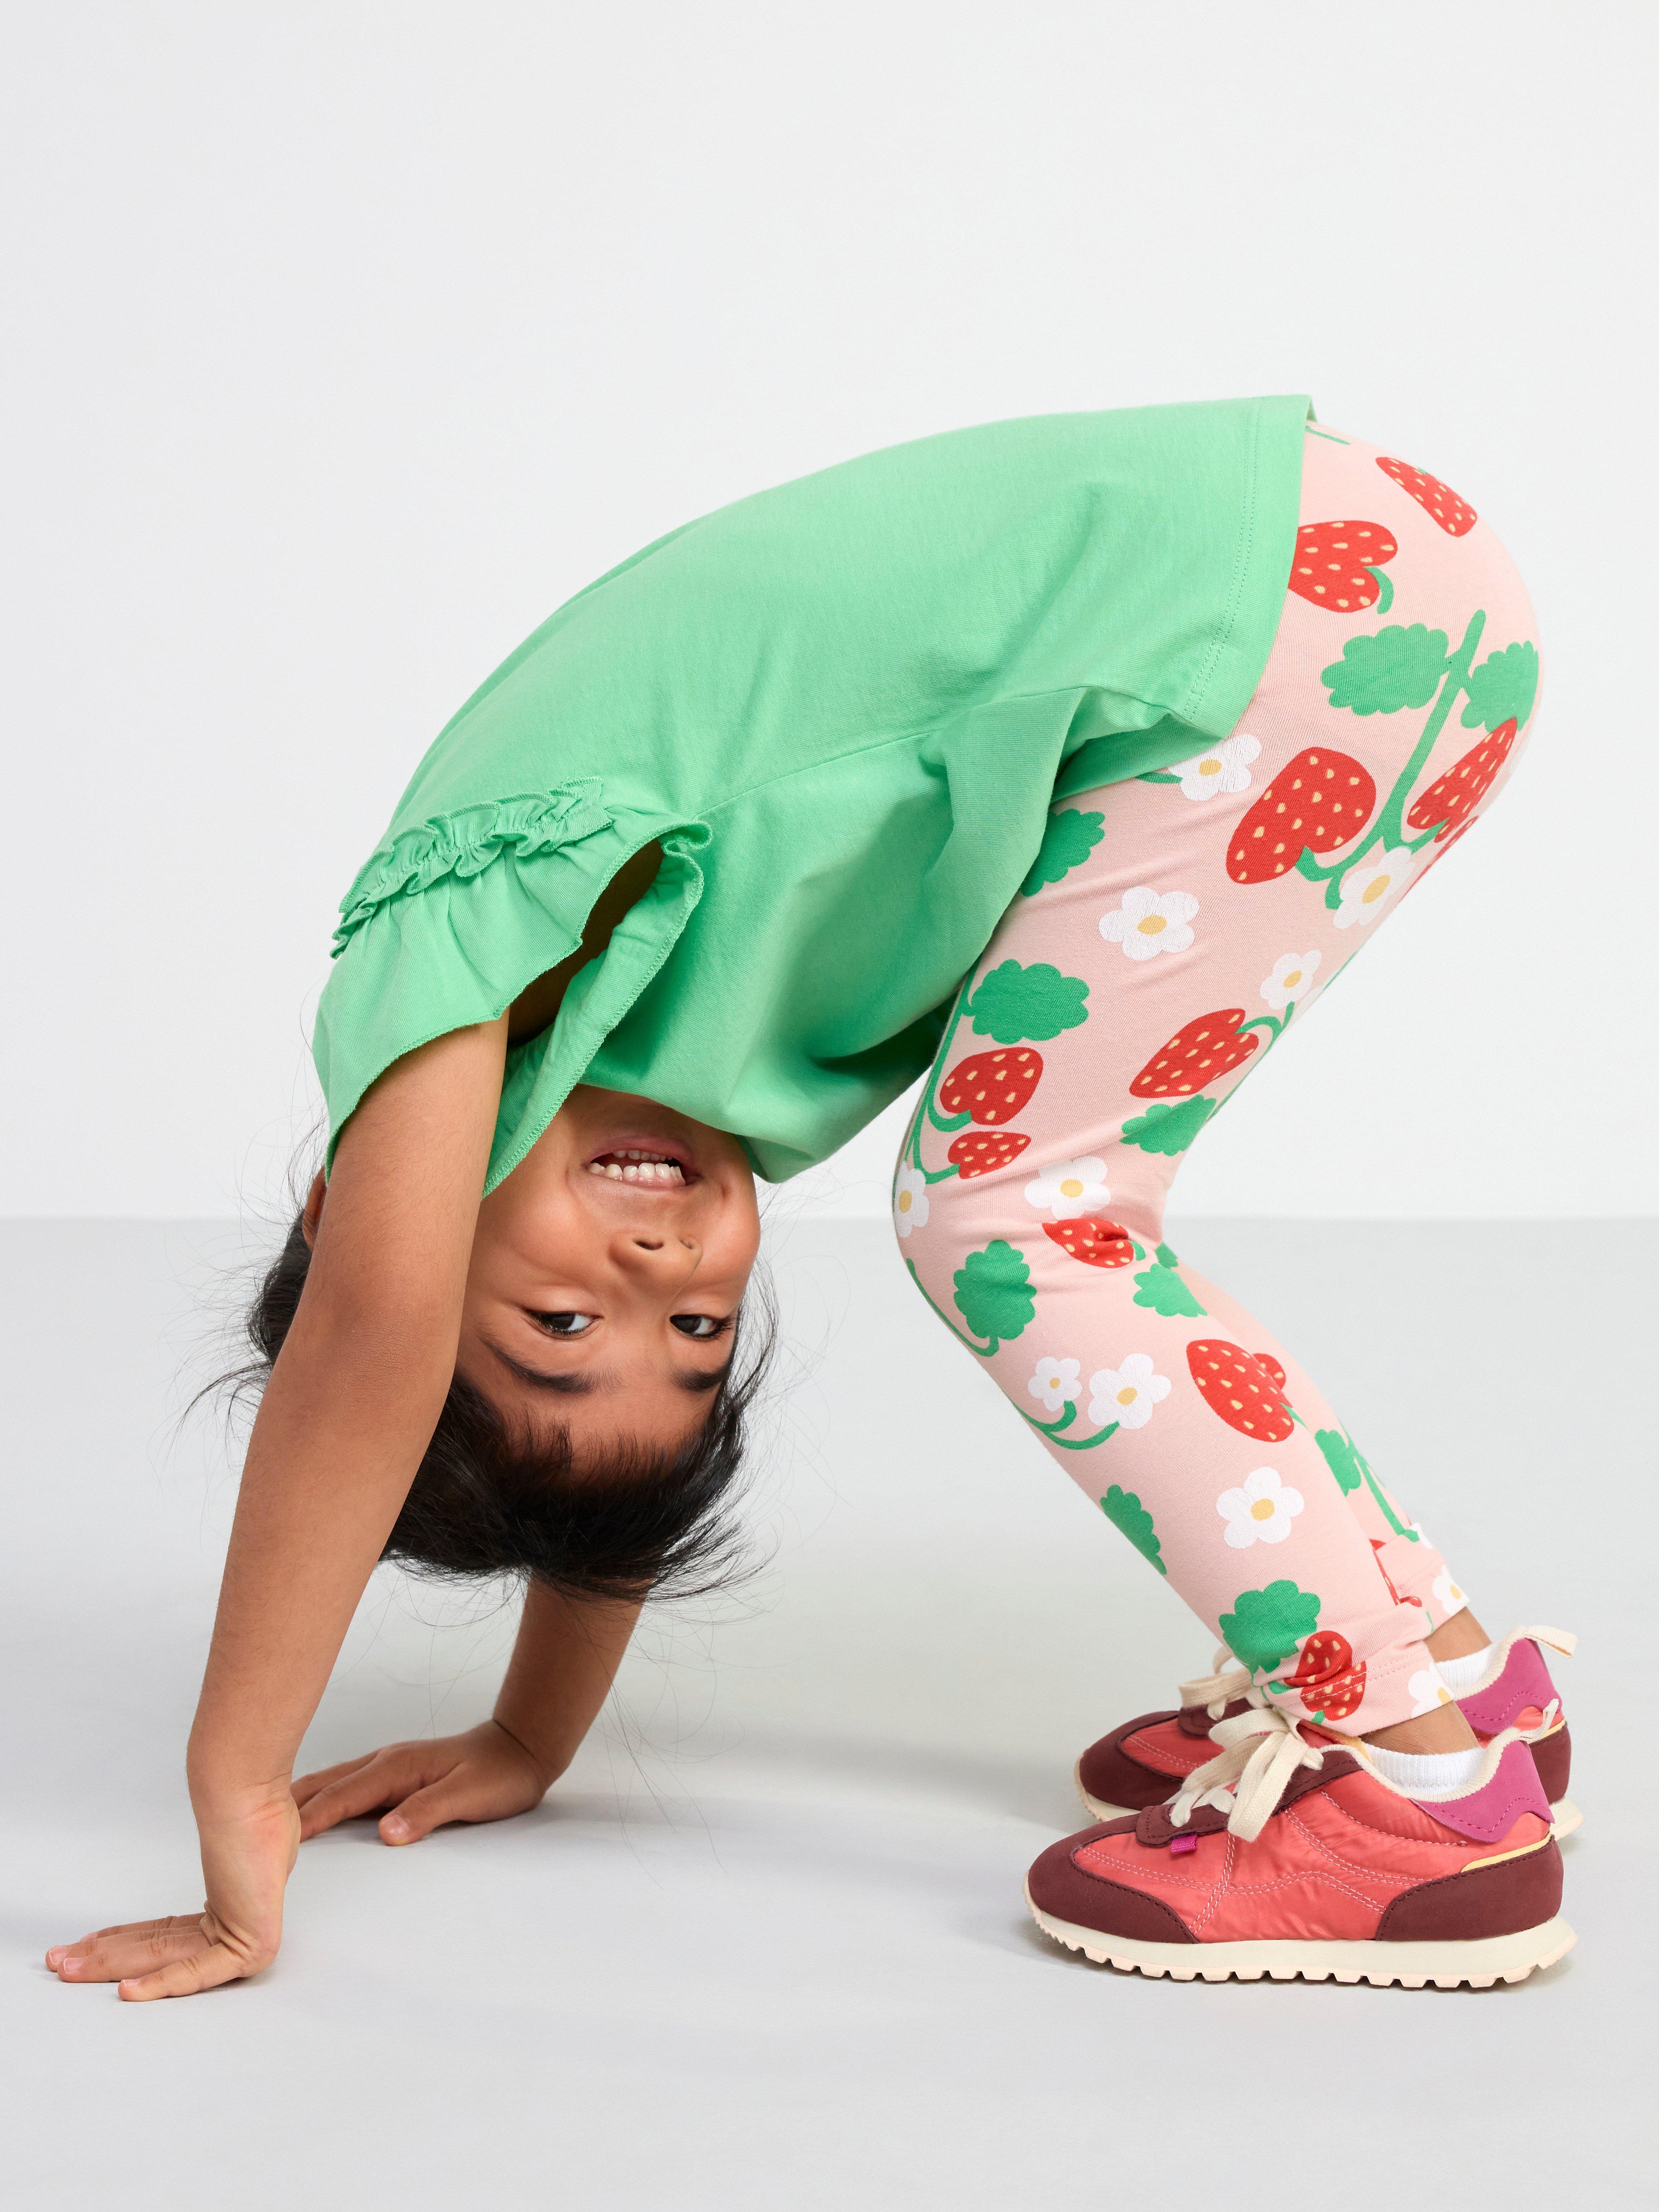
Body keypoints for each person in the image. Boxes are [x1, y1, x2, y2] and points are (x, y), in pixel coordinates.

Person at [46, 399, 1572, 1998]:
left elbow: (373, 1335)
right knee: (1050, 1201)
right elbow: (602, 1451)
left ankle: (1413, 1793)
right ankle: (1460, 1692)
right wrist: (528, 1731)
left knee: (1014, 1222)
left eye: (565, 1318)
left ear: (348, 1210)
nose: (660, 1257)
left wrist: (235, 1788)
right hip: (1350, 588)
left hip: (1284, 613)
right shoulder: (632, 1033)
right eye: (697, 1327)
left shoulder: (440, 959)